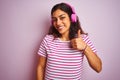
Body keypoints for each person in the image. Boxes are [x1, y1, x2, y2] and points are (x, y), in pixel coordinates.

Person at [37, 2, 102, 80]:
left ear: (72, 18)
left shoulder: (82, 39)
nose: (58, 23)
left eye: (62, 17)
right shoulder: (47, 40)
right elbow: (41, 66)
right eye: (54, 19)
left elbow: (98, 68)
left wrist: (85, 47)